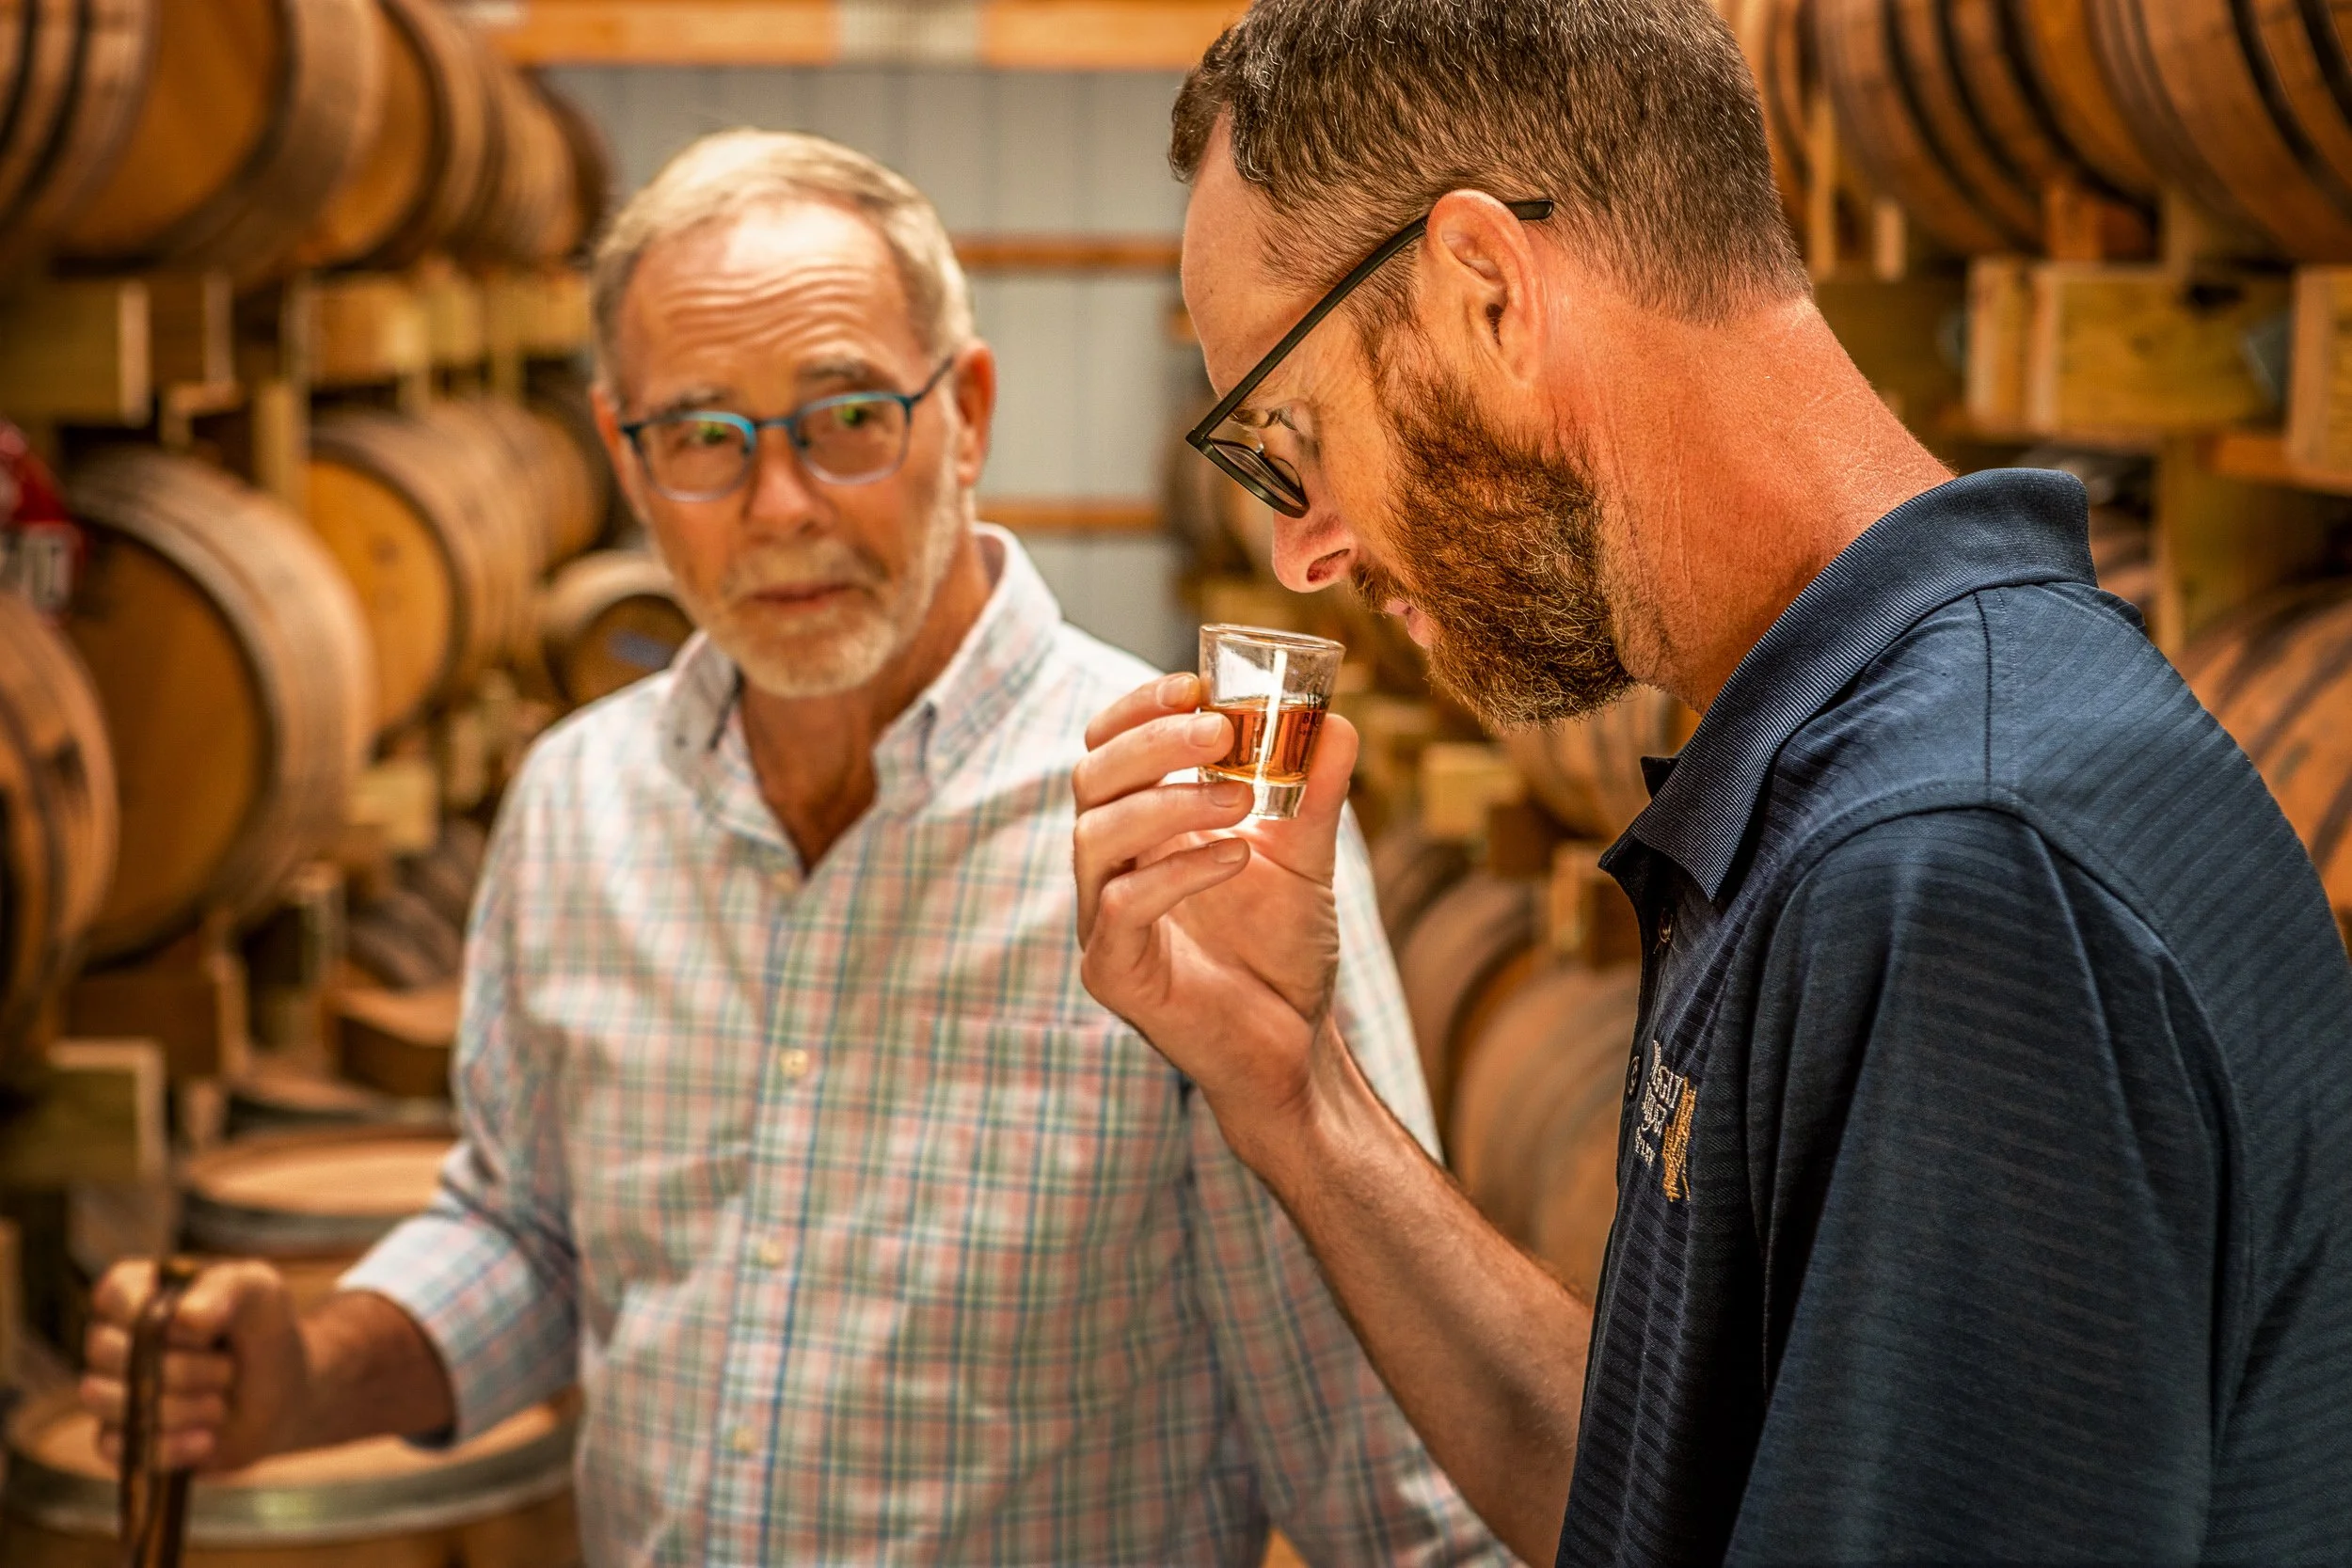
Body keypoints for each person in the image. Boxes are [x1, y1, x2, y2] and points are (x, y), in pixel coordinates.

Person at [80, 130, 1507, 1566]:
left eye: (844, 418)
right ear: (624, 463)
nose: (778, 505)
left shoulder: (1188, 836)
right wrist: (312, 1374)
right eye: (702, 436)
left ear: (968, 414)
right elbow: (536, 1237)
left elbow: (1384, 1491)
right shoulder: (579, 802)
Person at [1072, 2, 2352, 1564]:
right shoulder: (1870, 760)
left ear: (1486, 290)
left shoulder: (1956, 868)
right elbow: (1679, 1498)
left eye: (1288, 436)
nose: (1304, 547)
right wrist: (1292, 1080)